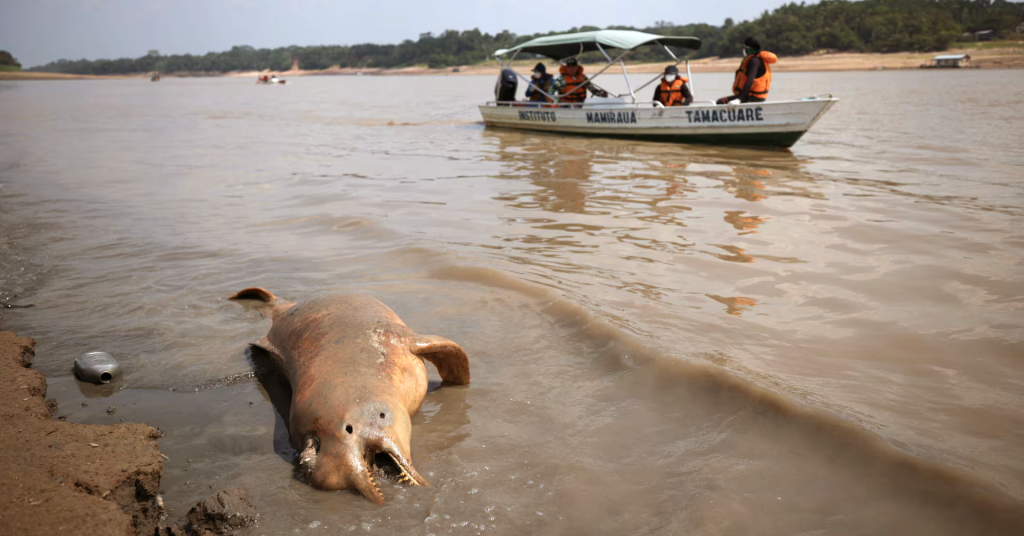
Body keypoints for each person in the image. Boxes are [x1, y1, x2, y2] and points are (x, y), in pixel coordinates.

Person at [716, 37, 777, 105]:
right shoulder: (758, 59)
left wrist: (740, 99)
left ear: (748, 49)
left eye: (745, 48)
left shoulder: (754, 61)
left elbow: (750, 80)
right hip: (756, 97)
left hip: (752, 97)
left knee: (720, 102)